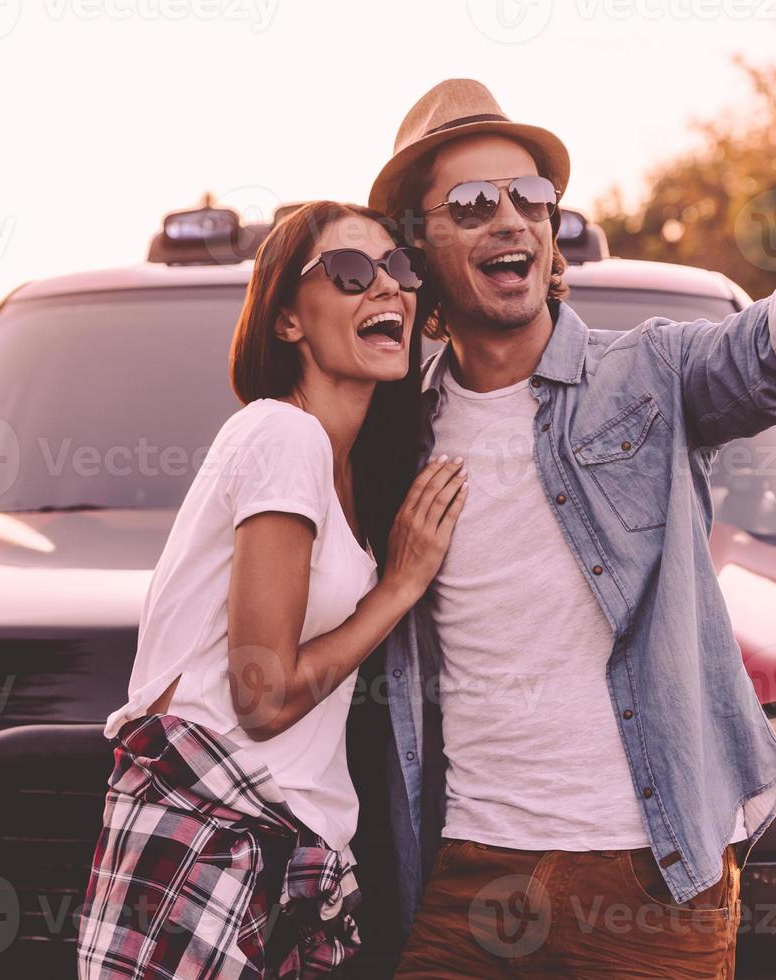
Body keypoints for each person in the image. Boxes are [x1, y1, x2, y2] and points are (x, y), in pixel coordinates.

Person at [369, 25, 776, 978]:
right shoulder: (394, 436)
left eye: (530, 195)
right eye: (469, 202)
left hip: (652, 881)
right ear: (417, 245)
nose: (511, 218)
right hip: (468, 874)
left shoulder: (649, 375)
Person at [76, 200, 468, 979]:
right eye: (351, 273)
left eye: (399, 269)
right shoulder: (282, 436)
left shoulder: (340, 463)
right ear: (287, 320)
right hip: (209, 837)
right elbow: (262, 697)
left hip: (264, 849)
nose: (385, 289)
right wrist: (397, 589)